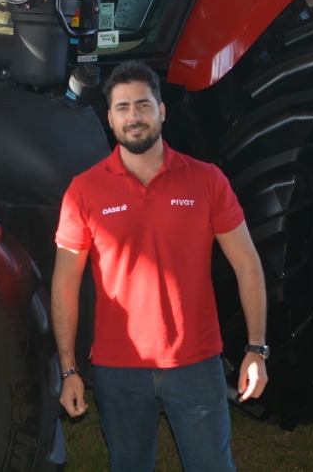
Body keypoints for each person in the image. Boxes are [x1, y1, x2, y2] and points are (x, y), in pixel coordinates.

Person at [51, 59, 268, 472]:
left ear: (162, 111)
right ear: (110, 119)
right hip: (118, 371)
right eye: (122, 108)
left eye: (144, 105)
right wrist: (69, 370)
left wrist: (256, 350)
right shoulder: (83, 191)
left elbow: (248, 265)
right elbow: (64, 285)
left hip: (196, 364)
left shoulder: (207, 180)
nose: (134, 117)